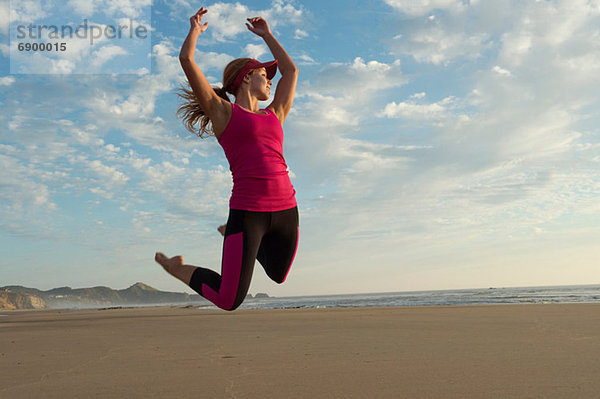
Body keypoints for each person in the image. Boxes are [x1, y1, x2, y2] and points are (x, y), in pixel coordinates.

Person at [155, 7, 299, 311]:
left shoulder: (275, 114)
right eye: (263, 74)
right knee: (228, 300)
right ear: (246, 78)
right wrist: (194, 30)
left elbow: (291, 72)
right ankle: (176, 267)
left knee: (278, 274)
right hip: (249, 212)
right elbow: (186, 61)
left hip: (287, 209)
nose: (270, 81)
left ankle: (238, 241)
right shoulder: (224, 113)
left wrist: (267, 35)